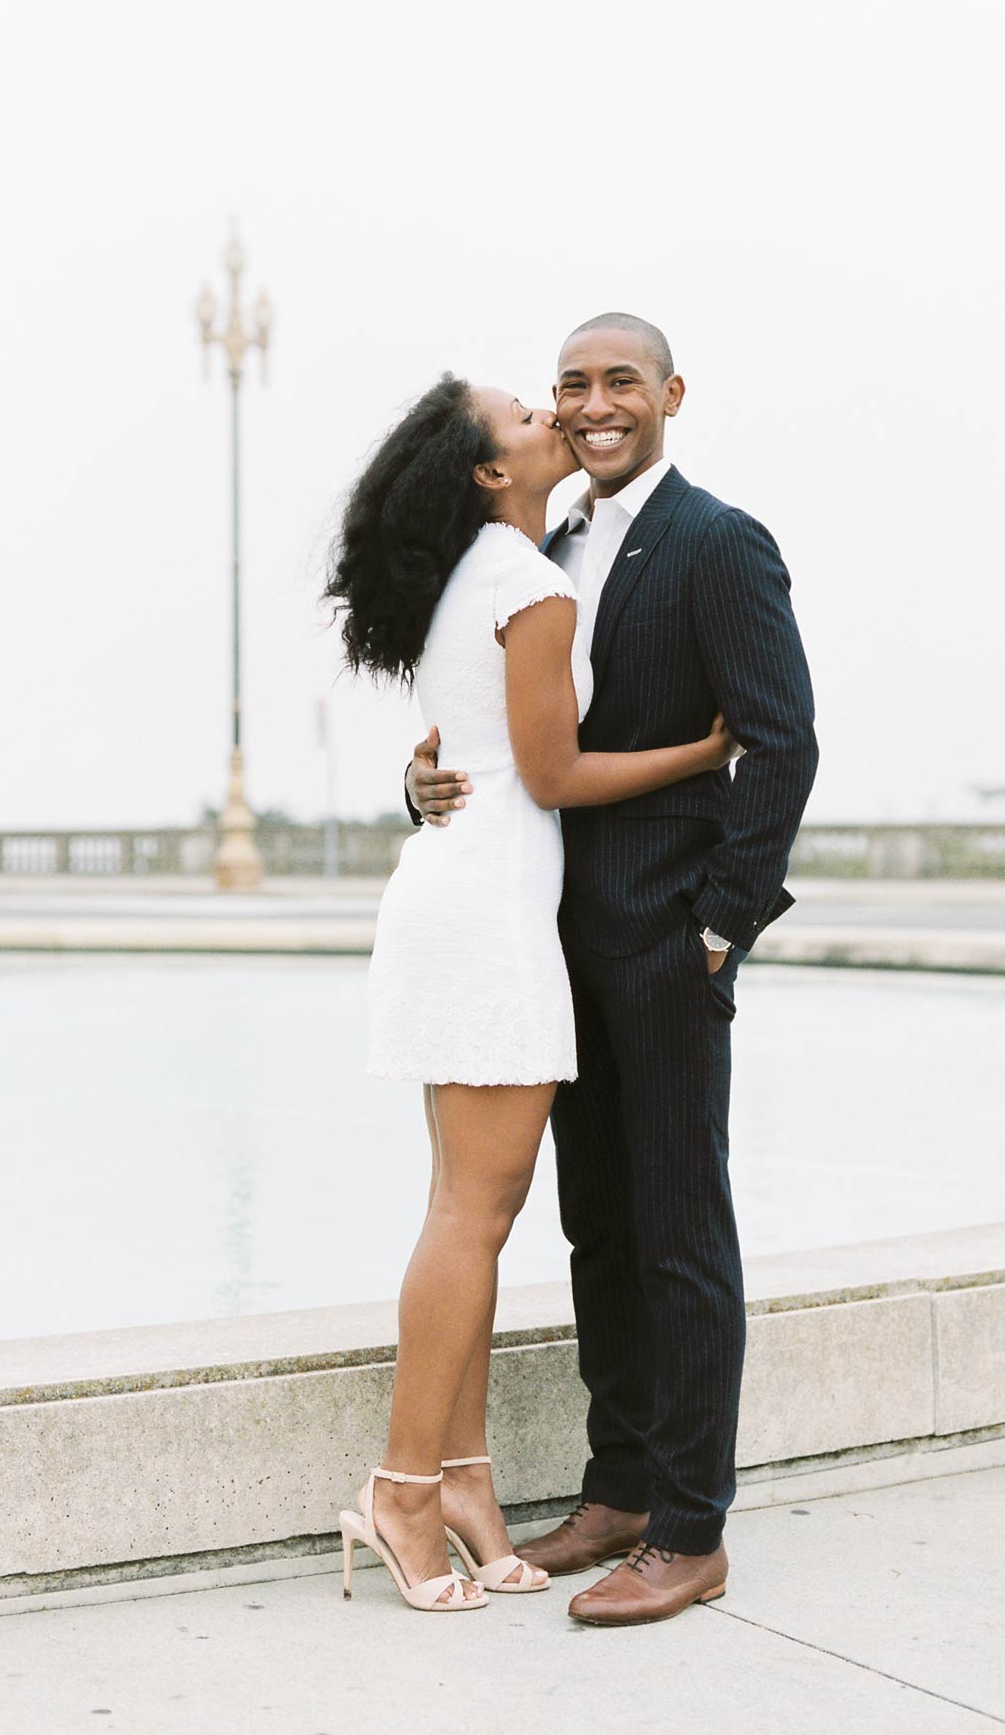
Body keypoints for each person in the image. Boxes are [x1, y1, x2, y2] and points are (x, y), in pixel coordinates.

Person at [406, 313, 818, 1626]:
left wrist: (721, 926)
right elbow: (506, 728)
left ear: (670, 394)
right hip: (549, 942)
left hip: (663, 942)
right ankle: (621, 1483)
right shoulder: (541, 547)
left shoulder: (717, 541)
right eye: (571, 384)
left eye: (618, 380)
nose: (592, 403)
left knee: (682, 1231)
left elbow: (781, 742)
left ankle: (692, 1527)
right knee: (598, 1227)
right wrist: (419, 787)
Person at [323, 372, 736, 1615]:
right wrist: (707, 749)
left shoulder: (480, 573)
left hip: (454, 895)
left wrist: (421, 781)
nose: (552, 417)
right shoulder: (532, 579)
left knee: (466, 1207)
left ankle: (461, 1483)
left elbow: (484, 756)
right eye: (524, 415)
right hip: (492, 915)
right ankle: (401, 1489)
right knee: (472, 1216)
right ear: (490, 472)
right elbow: (550, 773)